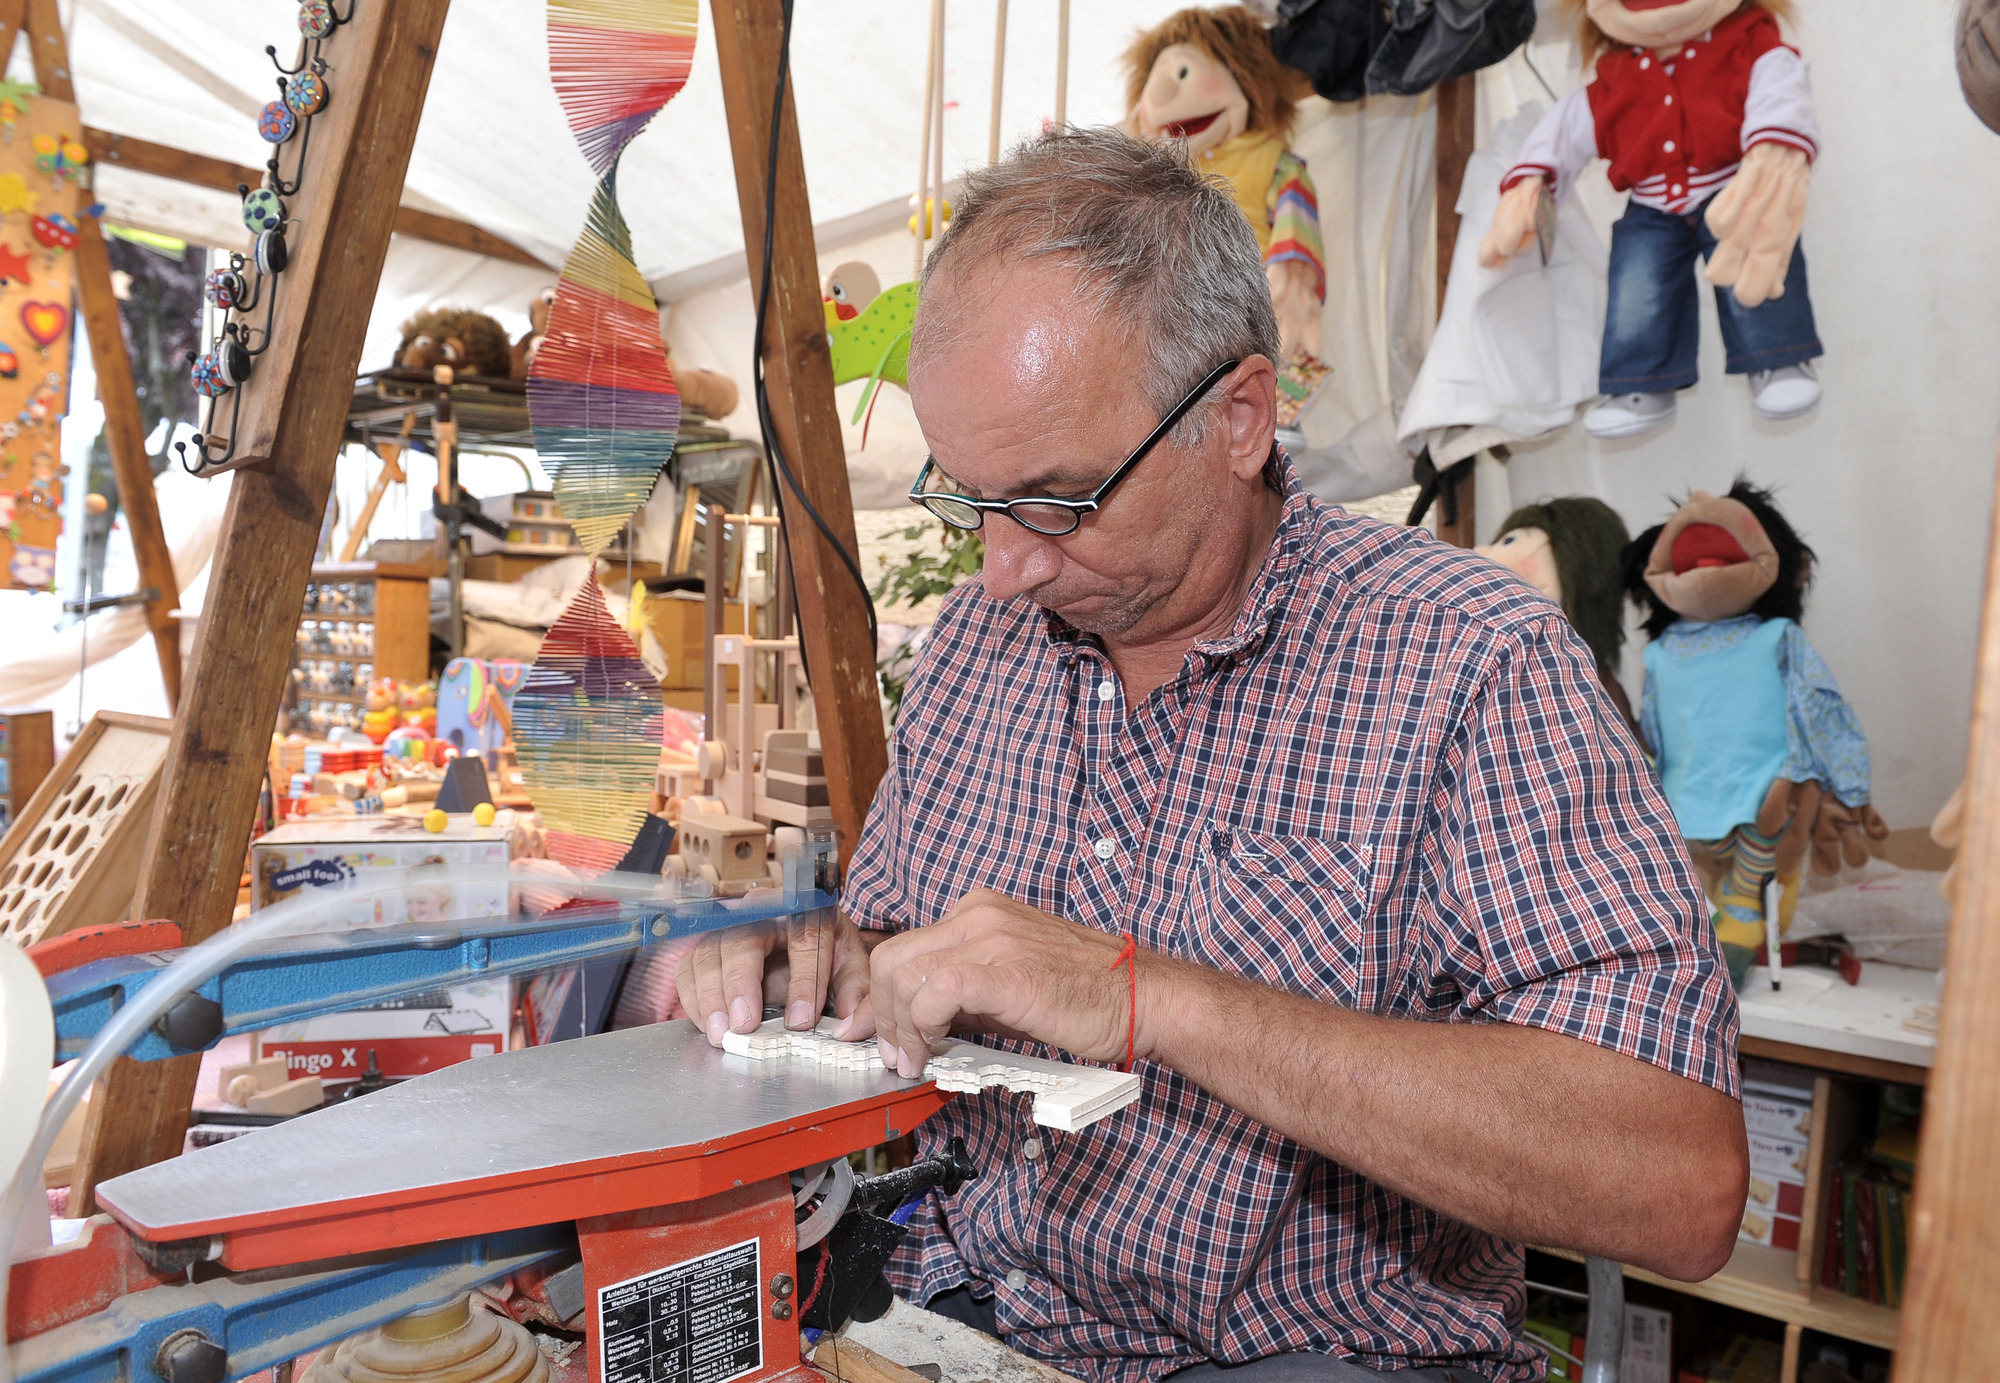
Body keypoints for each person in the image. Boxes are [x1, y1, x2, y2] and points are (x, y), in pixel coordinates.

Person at [676, 127, 1746, 1383]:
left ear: (1238, 417)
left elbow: (1677, 1183)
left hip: (1306, 1358)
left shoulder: (1471, 665)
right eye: (967, 497)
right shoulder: (982, 641)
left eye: (1058, 500)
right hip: (956, 1314)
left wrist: (1149, 999)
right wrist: (815, 967)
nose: (1001, 568)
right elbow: (902, 963)